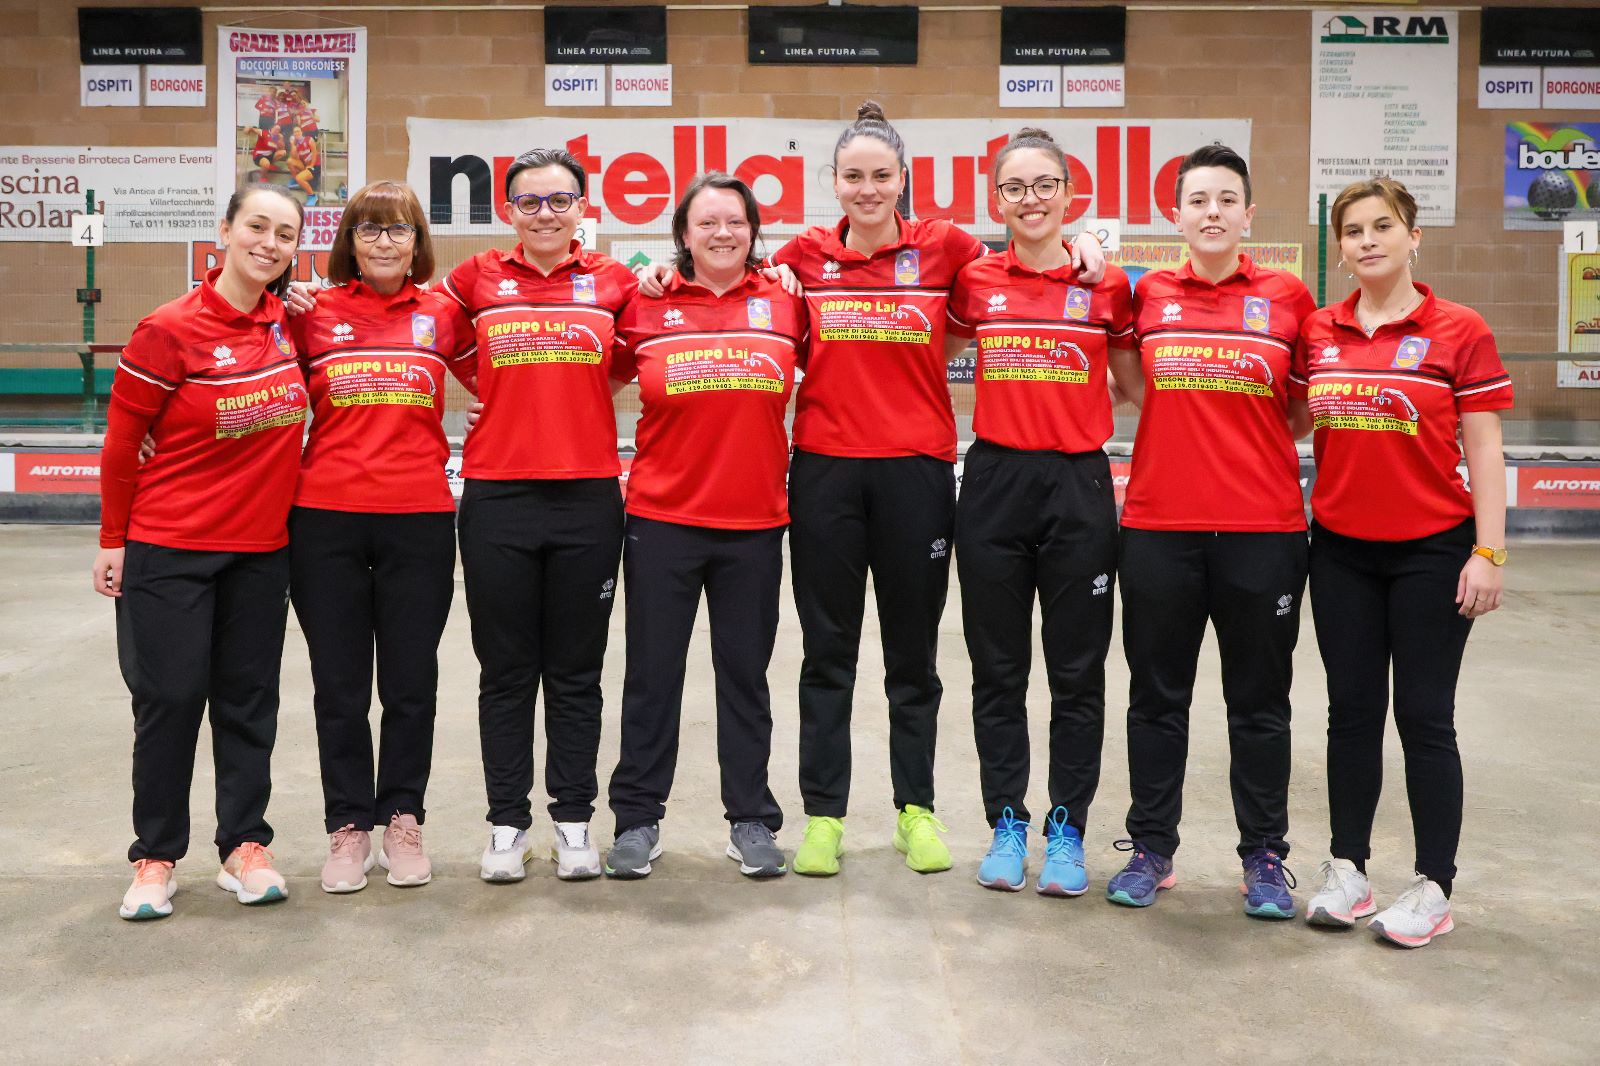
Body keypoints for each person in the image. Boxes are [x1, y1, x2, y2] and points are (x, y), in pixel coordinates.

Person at [641, 101, 1103, 877]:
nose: (867, 189)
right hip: (826, 472)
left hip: (917, 474)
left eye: (881, 175)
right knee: (828, 654)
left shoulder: (945, 248)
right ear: (834, 182)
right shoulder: (804, 256)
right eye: (853, 176)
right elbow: (725, 277)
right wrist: (663, 270)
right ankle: (824, 816)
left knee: (912, 657)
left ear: (902, 179)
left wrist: (1086, 242)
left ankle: (914, 811)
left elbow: (1026, 255)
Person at [1294, 177, 1512, 948]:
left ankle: (1432, 887)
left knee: (1424, 716)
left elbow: (1485, 447)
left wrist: (1488, 551)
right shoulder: (1319, 331)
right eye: (1353, 230)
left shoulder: (1459, 329)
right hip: (1340, 551)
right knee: (1351, 713)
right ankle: (1348, 870)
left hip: (1433, 551)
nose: (1368, 241)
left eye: (1382, 226)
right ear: (1340, 246)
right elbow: (1291, 419)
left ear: (1412, 236)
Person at [1107, 144, 1317, 918]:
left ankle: (1263, 855)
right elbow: (1134, 383)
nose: (1213, 212)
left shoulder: (1288, 297)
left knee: (1258, 703)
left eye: (1227, 199)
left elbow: (1301, 409)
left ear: (1248, 214)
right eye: (1198, 200)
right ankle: (1151, 848)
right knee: (1156, 698)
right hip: (1160, 529)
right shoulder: (1150, 293)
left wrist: (1243, 441)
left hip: (1264, 531)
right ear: (1176, 216)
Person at [96, 185, 308, 920]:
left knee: (248, 703)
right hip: (169, 547)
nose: (269, 243)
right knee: (170, 700)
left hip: (261, 552)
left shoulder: (289, 321)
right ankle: (155, 855)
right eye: (257, 226)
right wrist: (112, 540)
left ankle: (244, 846)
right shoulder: (168, 329)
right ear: (225, 230)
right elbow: (122, 443)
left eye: (285, 234)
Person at [944, 128, 1138, 895]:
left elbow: (1135, 385)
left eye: (1044, 185)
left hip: (1078, 487)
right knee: (997, 670)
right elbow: (923, 346)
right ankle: (1006, 821)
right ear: (997, 200)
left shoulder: (1107, 285)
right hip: (994, 483)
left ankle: (1067, 829)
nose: (1031, 199)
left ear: (1069, 193)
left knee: (1076, 672)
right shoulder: (974, 281)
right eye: (1015, 187)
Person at [439, 148, 638, 883]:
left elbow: (631, 358)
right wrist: (489, 386)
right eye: (529, 202)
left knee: (577, 672)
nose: (545, 214)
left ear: (582, 208)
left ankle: (574, 820)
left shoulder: (616, 282)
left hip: (588, 498)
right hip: (498, 499)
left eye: (559, 201)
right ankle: (507, 824)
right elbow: (431, 334)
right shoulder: (475, 278)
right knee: (506, 672)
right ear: (508, 211)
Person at [602, 172, 807, 879]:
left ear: (754, 232)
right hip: (662, 520)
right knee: (652, 676)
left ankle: (751, 819)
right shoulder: (644, 302)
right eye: (707, 222)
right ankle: (637, 819)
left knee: (744, 676)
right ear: (683, 236)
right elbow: (588, 379)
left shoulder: (787, 301)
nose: (723, 233)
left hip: (755, 522)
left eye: (736, 222)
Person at [285, 181, 476, 894]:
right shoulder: (312, 312)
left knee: (409, 683)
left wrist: (497, 416)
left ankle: (402, 818)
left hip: (418, 519)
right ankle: (348, 827)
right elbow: (241, 367)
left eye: (398, 229)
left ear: (418, 240)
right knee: (338, 686)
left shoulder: (442, 313)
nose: (385, 241)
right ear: (350, 241)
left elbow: (504, 378)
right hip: (324, 520)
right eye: (369, 229)